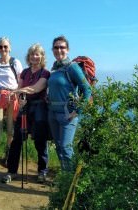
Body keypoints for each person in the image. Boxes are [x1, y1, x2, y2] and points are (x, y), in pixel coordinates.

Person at [2, 43, 50, 183]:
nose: (34, 57)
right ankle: (12, 171)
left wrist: (17, 92)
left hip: (39, 108)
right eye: (32, 54)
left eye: (37, 54)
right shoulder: (24, 72)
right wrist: (20, 97)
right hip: (25, 107)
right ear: (28, 57)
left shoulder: (45, 73)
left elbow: (36, 88)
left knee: (40, 141)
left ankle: (42, 171)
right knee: (17, 139)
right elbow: (20, 87)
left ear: (41, 57)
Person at [47, 35, 91, 171]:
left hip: (68, 114)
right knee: (59, 147)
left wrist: (77, 111)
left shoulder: (72, 67)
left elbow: (87, 89)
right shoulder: (54, 68)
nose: (59, 50)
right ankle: (64, 177)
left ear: (68, 50)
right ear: (52, 49)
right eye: (56, 47)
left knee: (66, 148)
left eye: (62, 47)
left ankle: (70, 181)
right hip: (53, 113)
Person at [0, 37, 23, 171]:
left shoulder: (15, 62)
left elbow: (20, 80)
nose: (3, 49)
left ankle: (8, 155)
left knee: (10, 129)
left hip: (12, 97)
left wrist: (17, 95)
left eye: (5, 46)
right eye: (1, 46)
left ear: (10, 48)